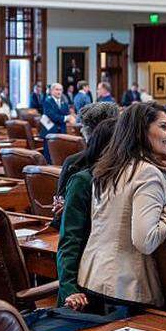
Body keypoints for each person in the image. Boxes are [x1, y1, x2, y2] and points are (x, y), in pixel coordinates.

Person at [76, 102, 166, 308]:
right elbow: (145, 241)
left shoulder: (110, 167)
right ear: (141, 130)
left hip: (92, 275)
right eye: (163, 127)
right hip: (125, 286)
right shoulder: (147, 173)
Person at [56, 119, 118, 310]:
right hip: (83, 285)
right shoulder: (83, 181)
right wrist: (69, 288)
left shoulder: (131, 181)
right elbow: (70, 239)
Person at [41, 82, 74, 163]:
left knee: (59, 154)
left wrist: (68, 117)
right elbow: (52, 116)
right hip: (50, 131)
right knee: (49, 156)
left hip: (62, 131)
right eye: (57, 90)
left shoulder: (64, 103)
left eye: (60, 90)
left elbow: (67, 114)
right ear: (52, 91)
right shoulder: (47, 101)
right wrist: (66, 118)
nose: (59, 92)